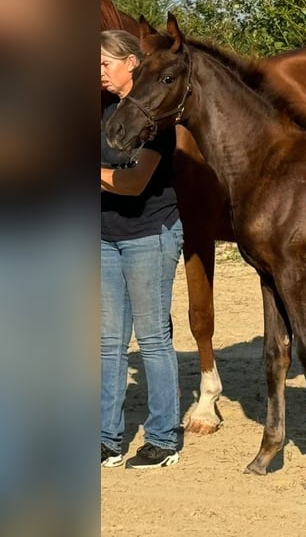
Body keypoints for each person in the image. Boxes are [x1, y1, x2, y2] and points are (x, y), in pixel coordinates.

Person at [100, 30, 183, 469]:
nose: (98, 74)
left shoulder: (155, 116)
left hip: (149, 235)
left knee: (152, 339)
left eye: (104, 64)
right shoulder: (101, 110)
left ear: (131, 62)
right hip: (103, 236)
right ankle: (107, 438)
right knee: (107, 342)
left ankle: (163, 437)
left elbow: (132, 186)